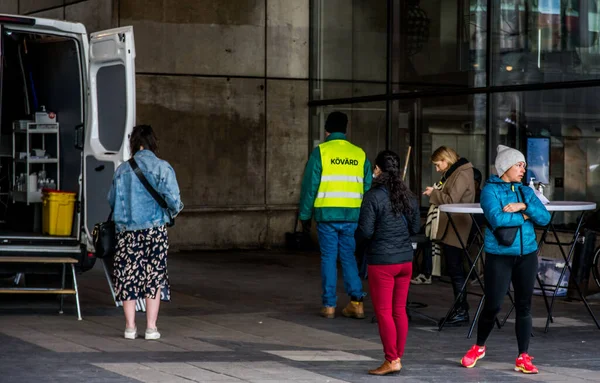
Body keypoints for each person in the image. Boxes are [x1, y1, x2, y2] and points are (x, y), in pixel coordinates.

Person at [460, 145, 550, 374]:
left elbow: (545, 217)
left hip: (527, 255)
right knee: (493, 304)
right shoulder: (489, 191)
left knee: (524, 306)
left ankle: (523, 356)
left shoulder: (525, 192)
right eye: (519, 165)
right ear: (505, 167)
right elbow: (497, 219)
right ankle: (479, 346)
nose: (523, 169)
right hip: (500, 256)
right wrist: (525, 215)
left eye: (524, 166)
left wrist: (523, 207)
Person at [108, 124, 184, 340]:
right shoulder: (162, 167)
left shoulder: (121, 170)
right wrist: (168, 213)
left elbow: (111, 201)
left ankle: (130, 327)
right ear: (153, 142)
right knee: (153, 278)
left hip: (127, 232)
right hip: (155, 232)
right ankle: (151, 328)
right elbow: (175, 202)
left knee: (128, 276)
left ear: (134, 144)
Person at [299, 111, 372, 319]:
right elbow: (367, 185)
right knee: (349, 256)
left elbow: (309, 186)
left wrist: (304, 215)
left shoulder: (321, 152)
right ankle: (357, 302)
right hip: (351, 215)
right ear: (346, 129)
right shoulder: (359, 153)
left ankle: (329, 305)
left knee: (329, 258)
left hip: (327, 214)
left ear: (327, 130)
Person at [355, 150, 420, 376]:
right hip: (405, 261)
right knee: (399, 310)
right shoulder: (409, 196)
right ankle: (397, 357)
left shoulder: (373, 196)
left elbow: (365, 231)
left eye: (375, 168)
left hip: (382, 261)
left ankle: (391, 359)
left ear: (378, 170)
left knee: (383, 311)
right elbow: (415, 229)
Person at [423, 146, 476, 326]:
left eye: (438, 165)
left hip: (457, 224)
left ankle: (461, 310)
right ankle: (460, 308)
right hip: (454, 223)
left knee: (455, 267)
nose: (437, 169)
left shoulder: (461, 173)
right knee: (454, 267)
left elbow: (451, 200)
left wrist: (433, 193)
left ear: (447, 160)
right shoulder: (458, 171)